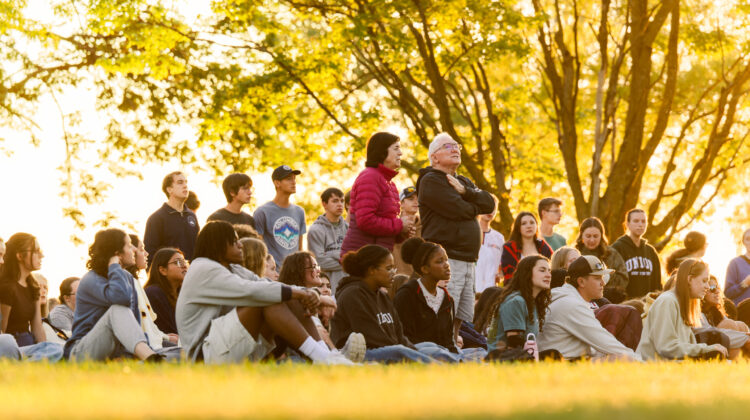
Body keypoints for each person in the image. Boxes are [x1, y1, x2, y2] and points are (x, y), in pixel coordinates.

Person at [175, 221, 353, 364]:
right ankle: (322, 358)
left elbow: (266, 284)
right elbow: (252, 291)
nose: (240, 245)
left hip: (225, 347)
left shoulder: (232, 269)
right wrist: (302, 294)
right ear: (219, 244)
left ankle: (326, 356)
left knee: (285, 296)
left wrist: (310, 294)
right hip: (204, 357)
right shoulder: (204, 269)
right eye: (235, 241)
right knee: (267, 299)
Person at [417, 132, 495, 343]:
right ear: (434, 157)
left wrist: (465, 191)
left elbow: (489, 204)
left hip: (468, 259)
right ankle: (441, 349)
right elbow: (461, 210)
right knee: (445, 311)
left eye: (456, 145)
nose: (455, 149)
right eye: (447, 146)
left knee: (461, 314)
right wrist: (472, 202)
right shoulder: (431, 180)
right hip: (448, 258)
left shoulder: (462, 181)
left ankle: (453, 346)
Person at [65, 229, 162, 362]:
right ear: (117, 253)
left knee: (177, 353)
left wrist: (127, 356)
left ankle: (150, 357)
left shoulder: (126, 277)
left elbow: (134, 320)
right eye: (129, 245)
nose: (133, 249)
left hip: (112, 351)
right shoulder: (91, 280)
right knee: (118, 309)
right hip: (82, 351)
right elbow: (121, 298)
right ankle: (150, 358)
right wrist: (115, 266)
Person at [330, 245, 435, 363]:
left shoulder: (382, 296)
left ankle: (457, 363)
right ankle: (440, 372)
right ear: (371, 270)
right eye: (389, 268)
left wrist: (414, 351)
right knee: (399, 351)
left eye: (394, 268)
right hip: (361, 354)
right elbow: (372, 338)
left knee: (430, 347)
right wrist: (409, 352)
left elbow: (399, 335)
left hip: (389, 348)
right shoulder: (352, 295)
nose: (394, 273)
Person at [538, 255, 638, 360]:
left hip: (565, 360)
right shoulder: (572, 305)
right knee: (625, 359)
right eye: (597, 278)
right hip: (564, 365)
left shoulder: (568, 298)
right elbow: (606, 342)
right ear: (581, 282)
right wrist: (640, 360)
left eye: (602, 278)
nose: (603, 283)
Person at [637, 259, 728, 360]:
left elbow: (687, 347)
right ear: (689, 279)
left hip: (674, 364)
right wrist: (705, 349)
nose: (707, 286)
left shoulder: (683, 305)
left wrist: (708, 350)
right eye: (704, 281)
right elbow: (666, 347)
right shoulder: (667, 301)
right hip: (654, 366)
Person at [341, 132, 413, 257]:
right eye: (396, 148)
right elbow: (365, 221)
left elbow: (385, 229)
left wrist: (403, 231)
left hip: (379, 257)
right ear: (382, 152)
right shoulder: (370, 177)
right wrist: (400, 224)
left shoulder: (389, 183)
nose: (400, 153)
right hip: (363, 258)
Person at [0, 233, 65, 362]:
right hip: (12, 345)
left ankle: (31, 363)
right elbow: (3, 329)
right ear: (19, 256)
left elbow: (37, 327)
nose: (41, 255)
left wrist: (44, 346)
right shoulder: (7, 288)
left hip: (29, 345)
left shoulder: (33, 286)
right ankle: (23, 364)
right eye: (36, 251)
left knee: (56, 348)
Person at [394, 238, 462, 360]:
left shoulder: (447, 299)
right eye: (439, 261)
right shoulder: (407, 294)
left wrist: (454, 353)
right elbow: (404, 337)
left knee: (478, 352)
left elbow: (449, 340)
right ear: (425, 269)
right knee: (436, 350)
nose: (446, 265)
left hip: (443, 351)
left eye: (446, 259)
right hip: (416, 351)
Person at [474, 255, 552, 354]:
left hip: (521, 353)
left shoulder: (533, 302)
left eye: (549, 271)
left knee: (553, 355)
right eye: (542, 270)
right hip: (502, 358)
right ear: (527, 273)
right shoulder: (516, 301)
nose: (548, 275)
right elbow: (514, 344)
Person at [254, 165, 307, 270]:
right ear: (277, 183)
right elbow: (259, 249)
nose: (294, 182)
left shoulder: (299, 211)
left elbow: (300, 249)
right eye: (288, 179)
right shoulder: (262, 212)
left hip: (295, 273)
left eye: (294, 179)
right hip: (274, 274)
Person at [144, 171, 200, 268]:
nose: (185, 186)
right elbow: (150, 254)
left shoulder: (192, 216)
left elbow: (198, 247)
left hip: (192, 276)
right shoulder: (156, 218)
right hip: (168, 278)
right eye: (180, 182)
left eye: (186, 182)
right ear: (169, 189)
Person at [611, 209, 662, 298]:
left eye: (643, 221)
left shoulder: (651, 251)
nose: (640, 224)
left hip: (647, 305)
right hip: (625, 305)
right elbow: (612, 281)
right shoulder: (617, 248)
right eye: (636, 221)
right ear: (627, 224)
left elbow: (657, 284)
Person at [307, 187, 348, 293]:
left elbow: (357, 257)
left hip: (349, 284)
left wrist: (332, 255)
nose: (340, 204)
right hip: (328, 288)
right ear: (324, 204)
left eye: (342, 201)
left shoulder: (349, 228)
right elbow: (319, 261)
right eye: (335, 201)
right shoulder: (316, 230)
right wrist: (346, 261)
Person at [574, 217, 628, 290]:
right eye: (588, 236)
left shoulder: (612, 254)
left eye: (595, 236)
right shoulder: (574, 254)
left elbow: (623, 280)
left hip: (608, 297)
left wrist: (606, 276)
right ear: (581, 236)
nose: (592, 240)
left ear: (601, 236)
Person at [501, 212, 553, 284]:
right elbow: (509, 275)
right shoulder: (510, 247)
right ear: (518, 228)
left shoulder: (543, 246)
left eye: (532, 223)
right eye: (524, 223)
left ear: (536, 226)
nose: (529, 226)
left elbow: (553, 268)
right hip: (516, 289)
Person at [144, 248, 186, 335]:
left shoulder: (183, 294)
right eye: (178, 262)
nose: (184, 266)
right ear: (163, 270)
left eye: (184, 262)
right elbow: (170, 331)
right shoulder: (154, 293)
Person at [475, 194, 505, 293]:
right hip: (471, 287)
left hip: (490, 289)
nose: (490, 211)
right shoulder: (469, 232)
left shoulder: (499, 237)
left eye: (494, 208)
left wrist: (500, 275)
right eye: (487, 206)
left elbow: (502, 263)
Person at [392, 186, 421, 275]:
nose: (416, 202)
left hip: (418, 278)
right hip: (397, 278)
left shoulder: (424, 226)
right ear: (401, 203)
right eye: (411, 199)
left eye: (418, 199)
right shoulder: (393, 225)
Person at [724, 228, 750, 306]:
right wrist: (745, 283)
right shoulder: (735, 263)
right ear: (743, 242)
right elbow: (728, 293)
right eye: (748, 239)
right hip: (742, 314)